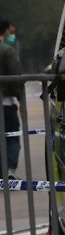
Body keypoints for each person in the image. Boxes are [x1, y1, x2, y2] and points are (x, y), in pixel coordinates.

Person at [0, 18, 25, 178]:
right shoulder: (7, 51)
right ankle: (9, 170)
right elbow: (16, 77)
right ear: (5, 30)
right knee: (12, 137)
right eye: (10, 30)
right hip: (6, 104)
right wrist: (21, 99)